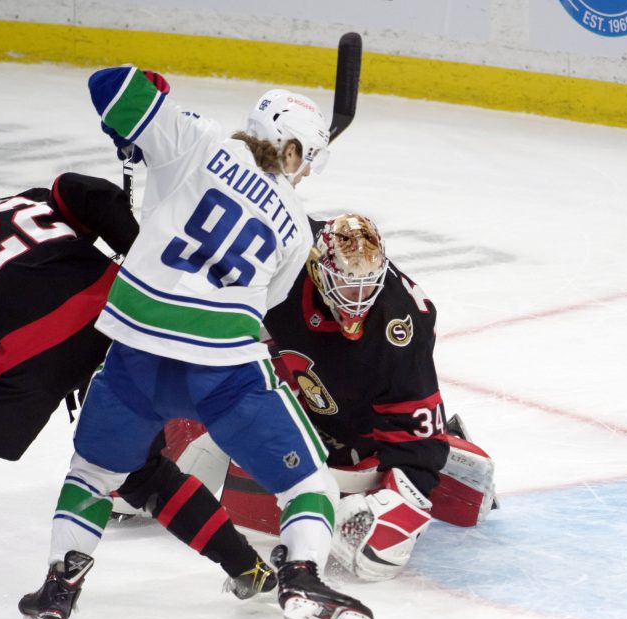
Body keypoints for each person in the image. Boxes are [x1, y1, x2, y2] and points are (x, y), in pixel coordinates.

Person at [18, 67, 375, 619]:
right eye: (305, 159)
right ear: (288, 149)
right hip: (224, 365)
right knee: (310, 483)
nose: (305, 172)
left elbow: (109, 85)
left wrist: (151, 103)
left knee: (92, 473)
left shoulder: (196, 141)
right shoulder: (300, 231)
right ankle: (302, 574)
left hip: (137, 348)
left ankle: (60, 587)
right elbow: (268, 302)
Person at [0, 173, 275, 619]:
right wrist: (133, 247)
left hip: (28, 351)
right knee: (141, 472)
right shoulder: (31, 202)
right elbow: (91, 193)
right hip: (121, 322)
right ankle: (249, 567)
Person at [159, 213, 498, 581]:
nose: (358, 300)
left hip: (353, 413)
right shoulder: (286, 253)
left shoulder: (398, 328)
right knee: (187, 443)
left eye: (368, 287)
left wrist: (408, 489)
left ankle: (440, 457)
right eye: (348, 287)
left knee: (373, 555)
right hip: (293, 367)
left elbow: (412, 427)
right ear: (319, 270)